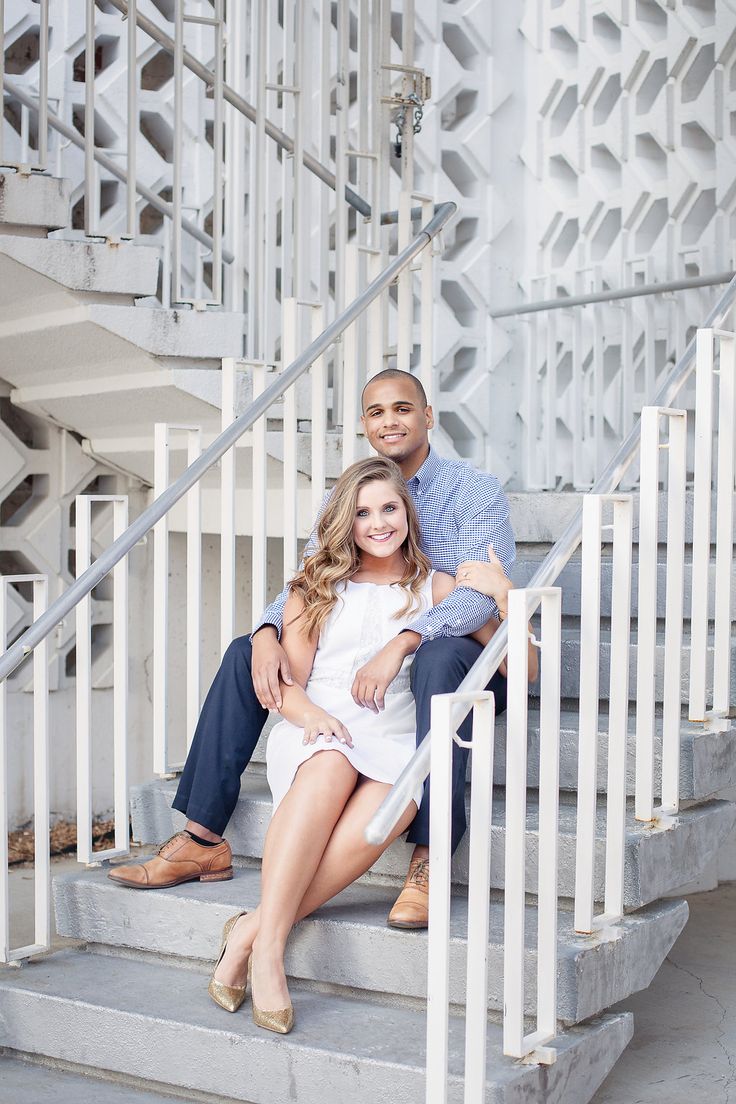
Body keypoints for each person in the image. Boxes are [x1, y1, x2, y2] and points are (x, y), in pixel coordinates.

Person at [109, 368, 516, 928]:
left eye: (403, 408)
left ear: (428, 416)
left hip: (452, 650)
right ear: (364, 426)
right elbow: (315, 577)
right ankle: (202, 836)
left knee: (437, 660)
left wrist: (407, 637)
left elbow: (477, 598)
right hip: (373, 653)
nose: (390, 421)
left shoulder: (472, 490)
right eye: (376, 412)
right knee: (243, 653)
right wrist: (267, 632)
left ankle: (428, 855)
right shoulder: (347, 495)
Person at [207, 456, 531, 1033]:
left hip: (391, 739)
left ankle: (249, 931)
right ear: (345, 523)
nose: (378, 522)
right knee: (329, 766)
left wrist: (505, 595)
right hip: (319, 727)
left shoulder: (438, 588)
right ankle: (271, 955)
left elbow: (525, 669)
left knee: (396, 805)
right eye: (362, 513)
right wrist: (317, 718)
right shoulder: (316, 585)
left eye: (389, 508)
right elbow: (287, 688)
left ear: (408, 513)